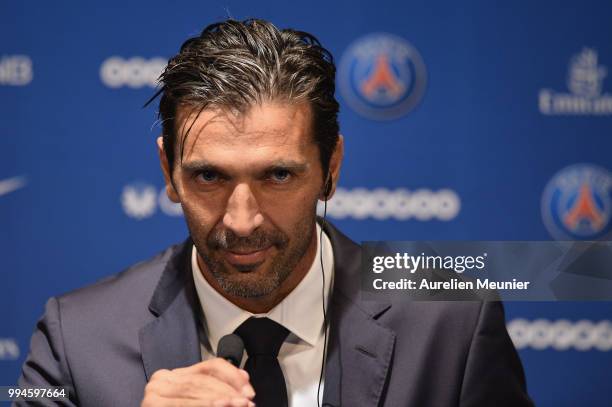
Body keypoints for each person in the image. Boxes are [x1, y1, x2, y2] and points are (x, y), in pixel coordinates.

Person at [17, 19, 534, 407]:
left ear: (331, 168)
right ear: (168, 171)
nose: (242, 221)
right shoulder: (74, 339)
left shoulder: (454, 318)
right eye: (209, 177)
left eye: (278, 176)